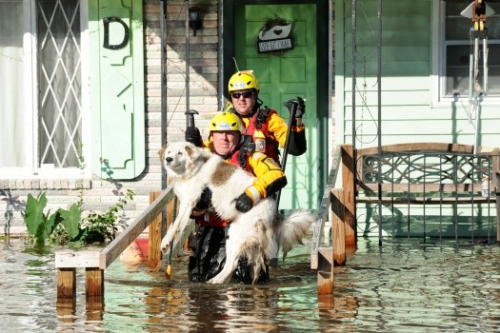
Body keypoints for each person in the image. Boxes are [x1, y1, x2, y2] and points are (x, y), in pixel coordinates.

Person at [187, 111, 287, 284]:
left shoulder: (251, 156)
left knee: (244, 284)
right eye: (219, 133)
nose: (224, 138)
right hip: (210, 230)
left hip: (244, 230)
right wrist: (197, 205)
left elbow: (277, 175)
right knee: (199, 282)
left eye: (230, 134)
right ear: (212, 136)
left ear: (239, 137)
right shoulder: (200, 160)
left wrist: (251, 195)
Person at [186, 70, 307, 165]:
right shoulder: (225, 120)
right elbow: (212, 151)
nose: (241, 99)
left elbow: (295, 150)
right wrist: (196, 143)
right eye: (236, 95)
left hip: (262, 185)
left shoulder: (270, 119)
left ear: (256, 94)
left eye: (247, 94)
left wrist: (296, 120)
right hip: (231, 183)